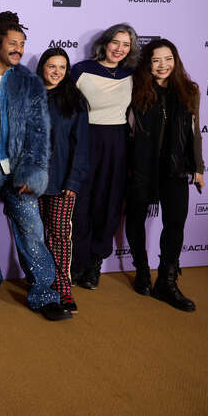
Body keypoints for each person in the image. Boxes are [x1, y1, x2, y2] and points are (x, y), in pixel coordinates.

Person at [0, 15, 71, 321]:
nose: (18, 49)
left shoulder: (30, 82)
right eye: (12, 44)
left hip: (19, 175)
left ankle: (44, 293)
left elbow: (40, 132)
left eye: (22, 45)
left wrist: (34, 173)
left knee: (32, 232)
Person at [125, 39, 204, 311]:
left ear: (176, 60)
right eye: (156, 60)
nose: (163, 65)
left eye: (168, 59)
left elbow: (195, 132)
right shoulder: (135, 89)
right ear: (148, 63)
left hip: (176, 167)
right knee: (135, 219)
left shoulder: (189, 91)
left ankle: (167, 281)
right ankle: (143, 272)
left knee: (176, 222)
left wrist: (199, 167)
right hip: (141, 166)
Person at [71, 24, 138, 290]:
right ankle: (76, 262)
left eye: (126, 45)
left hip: (118, 144)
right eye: (116, 42)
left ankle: (94, 264)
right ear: (105, 42)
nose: (120, 49)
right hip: (86, 141)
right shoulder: (80, 70)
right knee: (81, 203)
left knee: (108, 203)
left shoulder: (133, 74)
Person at [36, 47, 89, 313]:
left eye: (62, 67)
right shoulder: (30, 96)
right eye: (51, 66)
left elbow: (81, 146)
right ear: (42, 68)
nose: (57, 72)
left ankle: (63, 289)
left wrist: (73, 182)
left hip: (61, 182)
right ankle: (41, 284)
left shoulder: (74, 100)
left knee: (58, 235)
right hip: (31, 182)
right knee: (35, 236)